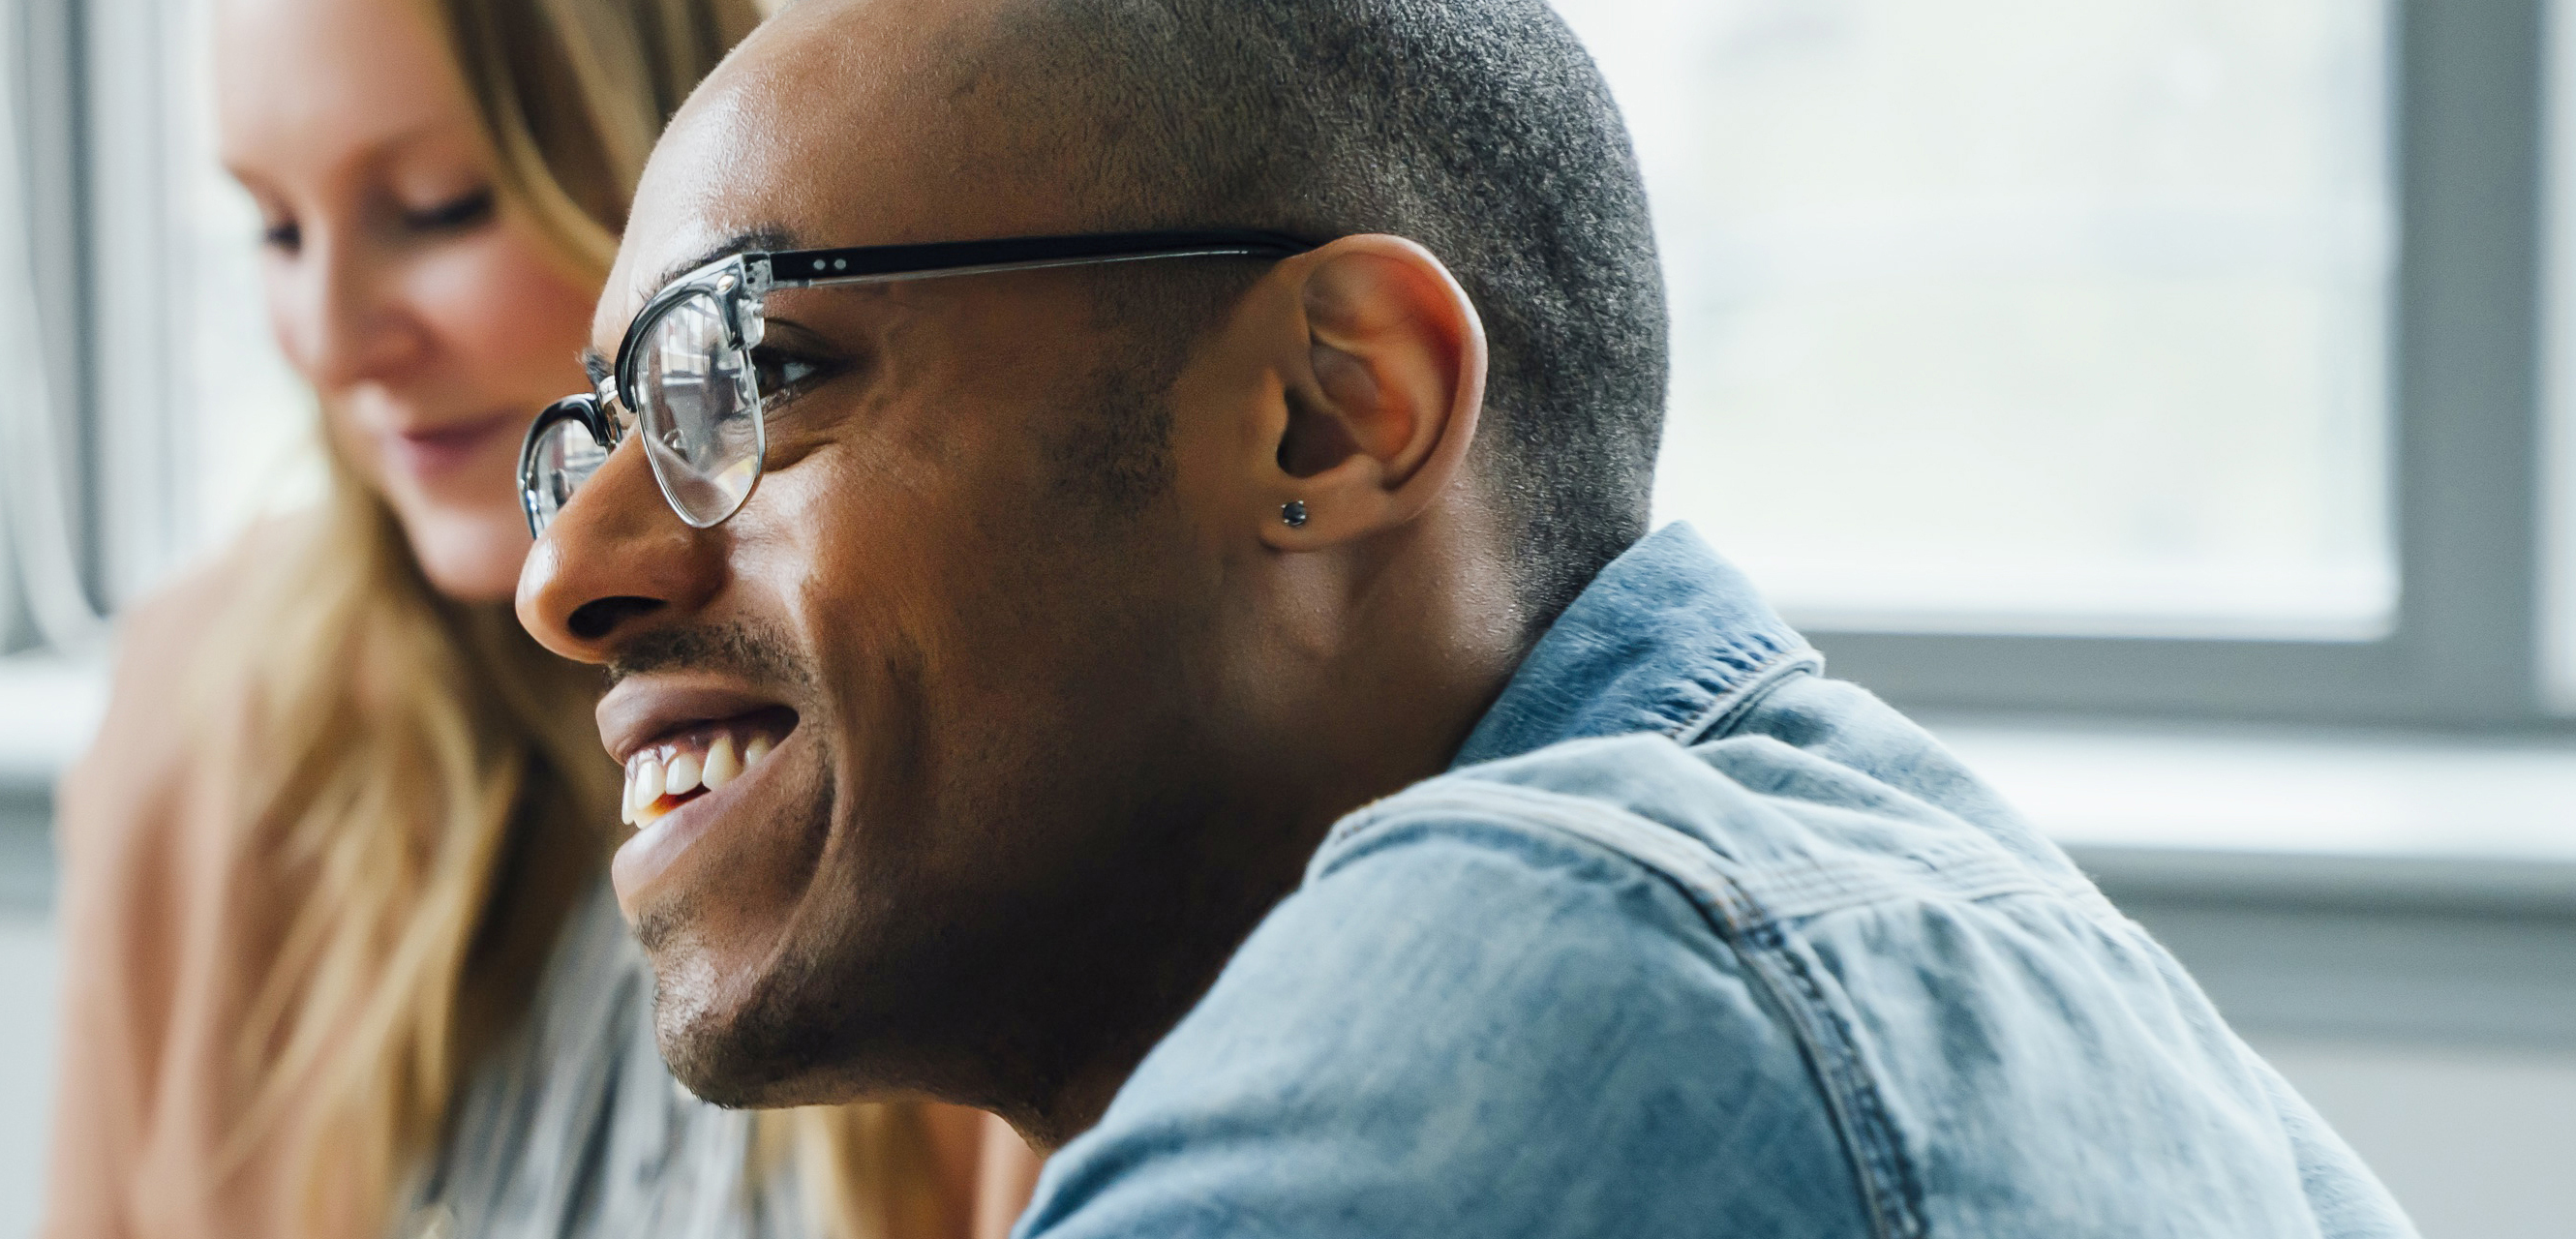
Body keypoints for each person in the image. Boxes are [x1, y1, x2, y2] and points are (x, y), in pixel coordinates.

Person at [503, 0, 2414, 1233]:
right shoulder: (1848, 902)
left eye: (750, 370)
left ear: (1335, 411)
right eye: (588, 433)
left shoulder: (1550, 1006)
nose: (563, 575)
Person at [43, 1, 1030, 1236]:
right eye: (276, 228)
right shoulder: (199, 714)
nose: (333, 340)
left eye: (438, 205)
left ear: (691, 158)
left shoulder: (981, 708)